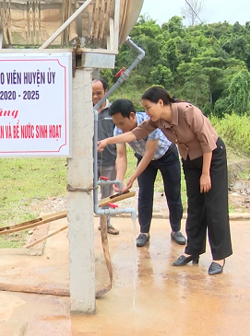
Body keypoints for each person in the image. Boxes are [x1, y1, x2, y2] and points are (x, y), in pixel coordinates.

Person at [97, 87, 232, 275]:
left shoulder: (188, 111)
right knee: (195, 205)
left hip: (212, 156)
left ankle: (219, 256)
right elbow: (135, 134)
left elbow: (207, 142)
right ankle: (192, 250)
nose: (147, 112)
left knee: (214, 205)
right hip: (190, 158)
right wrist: (107, 142)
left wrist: (206, 174)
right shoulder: (157, 121)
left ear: (161, 103)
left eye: (148, 107)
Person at [108, 99, 186, 247]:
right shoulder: (118, 129)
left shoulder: (150, 122)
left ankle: (176, 230)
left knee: (173, 193)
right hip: (143, 158)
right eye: (116, 124)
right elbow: (121, 156)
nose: (120, 128)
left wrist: (132, 178)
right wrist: (119, 181)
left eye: (122, 123)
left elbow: (150, 154)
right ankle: (144, 232)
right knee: (144, 194)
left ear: (132, 115)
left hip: (166, 155)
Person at [92, 78, 119, 235]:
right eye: (92, 94)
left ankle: (106, 223)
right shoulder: (86, 111)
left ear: (106, 91)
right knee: (87, 191)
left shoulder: (113, 111)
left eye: (99, 93)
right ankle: (85, 223)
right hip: (90, 161)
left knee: (107, 193)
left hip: (109, 160)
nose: (95, 97)